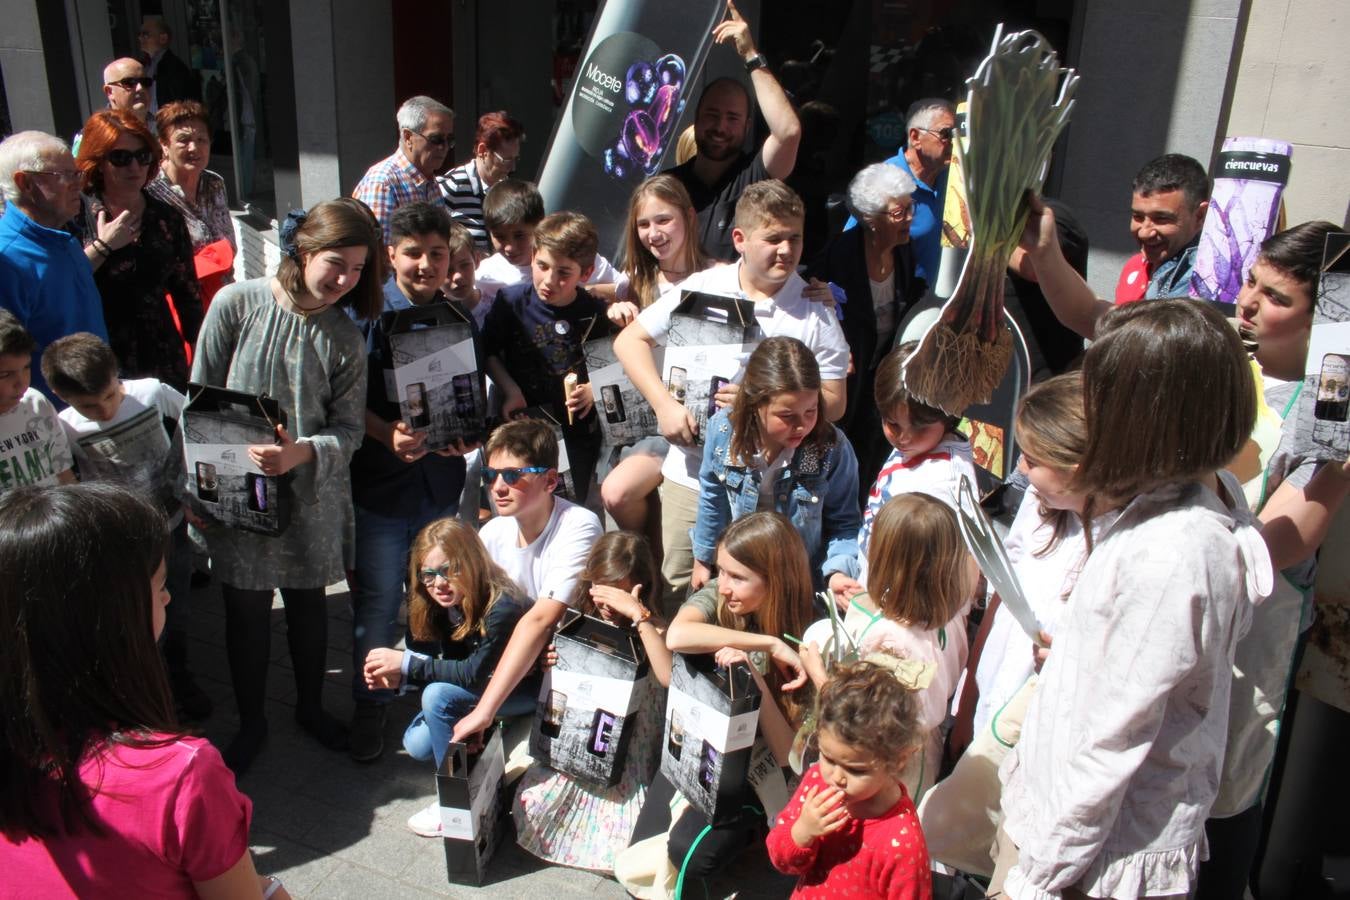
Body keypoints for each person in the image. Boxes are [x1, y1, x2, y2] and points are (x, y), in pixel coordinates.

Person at [992, 299, 1271, 899]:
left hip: (1087, 859)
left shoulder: (1171, 551)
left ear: (1145, 416)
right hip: (1081, 835)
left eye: (1102, 395)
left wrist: (1035, 880)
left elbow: (1112, 739)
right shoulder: (1200, 494)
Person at [0, 483, 288, 899]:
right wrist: (272, 889)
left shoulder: (20, 753)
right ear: (111, 617)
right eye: (158, 586)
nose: (168, 596)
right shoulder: (182, 775)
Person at [191, 197, 383, 776]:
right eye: (336, 263)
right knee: (244, 608)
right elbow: (200, 396)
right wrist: (200, 487)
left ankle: (308, 707)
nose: (345, 280)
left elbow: (349, 430)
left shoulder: (344, 337)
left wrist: (303, 451)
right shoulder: (236, 303)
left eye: (356, 270)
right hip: (236, 479)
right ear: (302, 251)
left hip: (310, 490)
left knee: (307, 604)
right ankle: (251, 721)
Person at [613, 179, 849, 604]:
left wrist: (759, 403)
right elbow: (628, 342)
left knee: (763, 603)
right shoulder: (703, 287)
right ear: (739, 239)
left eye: (794, 237)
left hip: (778, 487)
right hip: (691, 473)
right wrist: (664, 405)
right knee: (683, 592)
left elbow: (834, 403)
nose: (786, 250)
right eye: (773, 238)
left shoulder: (815, 310)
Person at [346, 202, 508, 761]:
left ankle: (421, 696)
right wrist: (383, 432)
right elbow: (342, 402)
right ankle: (368, 710)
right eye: (413, 253)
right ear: (391, 254)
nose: (425, 264)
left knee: (434, 602)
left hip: (438, 483)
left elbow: (470, 392)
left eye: (436, 254)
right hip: (382, 486)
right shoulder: (365, 315)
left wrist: (469, 434)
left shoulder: (460, 317)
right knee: (377, 602)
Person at [627, 512, 811, 889]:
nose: (723, 586)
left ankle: (750, 839)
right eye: (720, 570)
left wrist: (755, 679)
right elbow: (677, 636)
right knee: (642, 857)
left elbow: (788, 756)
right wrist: (767, 644)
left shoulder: (810, 637)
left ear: (776, 580)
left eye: (738, 577)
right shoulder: (721, 595)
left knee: (686, 855)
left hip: (756, 773)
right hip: (700, 745)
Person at [40, 331, 209, 720]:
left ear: (118, 377)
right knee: (135, 615)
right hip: (124, 538)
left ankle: (178, 676)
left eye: (110, 396)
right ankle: (148, 686)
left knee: (177, 606)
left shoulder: (150, 393)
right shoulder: (65, 427)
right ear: (63, 399)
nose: (104, 411)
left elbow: (196, 425)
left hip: (170, 525)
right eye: (89, 406)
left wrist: (196, 491)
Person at [361, 517, 535, 835]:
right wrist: (404, 679)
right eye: (428, 575)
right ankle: (486, 738)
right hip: (483, 685)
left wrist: (407, 666)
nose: (438, 583)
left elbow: (470, 674)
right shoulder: (443, 603)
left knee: (436, 698)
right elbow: (456, 664)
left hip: (523, 690)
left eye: (448, 570)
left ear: (470, 561)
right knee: (416, 743)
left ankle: (457, 802)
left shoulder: (501, 606)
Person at [514, 531, 672, 872]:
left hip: (633, 752)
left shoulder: (655, 629)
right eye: (600, 589)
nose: (606, 602)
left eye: (617, 591)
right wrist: (549, 663)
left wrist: (637, 615)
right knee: (533, 803)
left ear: (641, 585)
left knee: (631, 837)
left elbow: (667, 675)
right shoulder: (577, 622)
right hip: (586, 743)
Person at [447, 420, 603, 746]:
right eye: (490, 476)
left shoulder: (579, 525)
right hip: (516, 663)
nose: (498, 487)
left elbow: (541, 619)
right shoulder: (492, 532)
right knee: (423, 727)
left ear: (549, 481)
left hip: (558, 673)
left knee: (439, 702)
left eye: (513, 476)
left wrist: (485, 710)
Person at [813, 492, 974, 799]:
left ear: (883, 559)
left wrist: (819, 675)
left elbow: (868, 723)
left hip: (888, 768)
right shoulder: (951, 617)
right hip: (927, 748)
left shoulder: (889, 639)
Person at [691, 336, 861, 599]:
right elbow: (712, 497)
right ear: (756, 404)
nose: (802, 425)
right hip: (739, 579)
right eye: (787, 416)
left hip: (800, 585)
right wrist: (703, 558)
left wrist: (837, 572)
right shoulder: (723, 431)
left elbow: (845, 523)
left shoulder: (830, 448)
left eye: (811, 411)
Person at [600, 175, 713, 553]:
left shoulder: (720, 276)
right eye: (644, 224)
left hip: (700, 417)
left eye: (663, 220)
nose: (654, 233)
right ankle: (646, 560)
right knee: (616, 492)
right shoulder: (634, 283)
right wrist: (614, 312)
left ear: (689, 217)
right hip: (647, 423)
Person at [766, 661, 931, 899]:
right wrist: (803, 831)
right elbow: (780, 858)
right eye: (828, 758)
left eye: (856, 770)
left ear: (898, 760)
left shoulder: (901, 842)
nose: (837, 777)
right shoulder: (817, 784)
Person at [482, 211, 612, 503]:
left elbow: (611, 364)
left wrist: (594, 389)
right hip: (520, 423)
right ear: (533, 256)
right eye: (542, 266)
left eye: (564, 273)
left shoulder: (594, 311)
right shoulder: (512, 302)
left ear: (586, 273)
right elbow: (488, 352)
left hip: (574, 431)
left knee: (565, 503)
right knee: (515, 502)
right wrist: (510, 389)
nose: (549, 280)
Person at [807, 162, 923, 486]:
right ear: (872, 220)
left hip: (879, 375)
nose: (910, 219)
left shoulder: (904, 251)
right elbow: (813, 307)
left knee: (874, 454)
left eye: (910, 209)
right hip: (847, 378)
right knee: (842, 457)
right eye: (899, 213)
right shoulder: (839, 259)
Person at [72, 109, 203, 391]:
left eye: (142, 156)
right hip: (100, 357)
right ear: (99, 162)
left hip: (161, 354)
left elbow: (187, 293)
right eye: (120, 158)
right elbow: (63, 284)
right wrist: (102, 247)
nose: (134, 167)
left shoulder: (166, 217)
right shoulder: (77, 215)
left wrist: (201, 355)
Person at [665, 1, 801, 262]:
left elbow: (789, 132)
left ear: (747, 125)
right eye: (712, 115)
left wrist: (750, 55)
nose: (720, 127)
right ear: (696, 119)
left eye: (732, 118)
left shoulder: (756, 177)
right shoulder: (670, 186)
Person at [0, 131, 108, 400]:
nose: (78, 185)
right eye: (65, 176)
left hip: (98, 403)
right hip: (55, 423)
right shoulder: (7, 259)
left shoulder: (64, 238)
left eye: (77, 173)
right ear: (25, 183)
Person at [857, 343, 976, 564]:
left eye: (919, 427)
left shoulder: (942, 484)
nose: (904, 437)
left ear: (950, 415)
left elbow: (937, 568)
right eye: (892, 423)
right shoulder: (921, 446)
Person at [844, 98, 955, 286]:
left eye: (958, 134)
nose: (954, 142)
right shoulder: (883, 182)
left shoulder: (954, 179)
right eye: (946, 134)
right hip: (900, 304)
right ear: (915, 137)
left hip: (946, 304)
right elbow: (848, 251)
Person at [474, 178, 628, 306]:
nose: (510, 247)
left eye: (520, 235)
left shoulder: (574, 256)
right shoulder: (485, 276)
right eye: (500, 237)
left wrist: (577, 294)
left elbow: (624, 290)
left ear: (540, 224)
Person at [147, 100, 235, 307]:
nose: (194, 147)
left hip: (220, 298)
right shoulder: (150, 192)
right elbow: (159, 264)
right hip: (177, 305)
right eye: (183, 140)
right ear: (164, 145)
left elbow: (230, 245)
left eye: (201, 139)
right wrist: (214, 259)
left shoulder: (214, 183)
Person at [353, 95, 455, 243]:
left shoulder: (430, 182)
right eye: (436, 139)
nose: (444, 147)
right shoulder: (383, 182)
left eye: (449, 140)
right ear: (408, 137)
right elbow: (379, 253)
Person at [1114, 153, 1210, 303]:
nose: (1144, 232)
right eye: (1138, 216)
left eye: (1161, 219)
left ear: (1199, 216)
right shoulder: (1134, 265)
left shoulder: (1206, 283)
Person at [0, 310, 74, 492]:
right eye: (5, 374)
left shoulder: (36, 403)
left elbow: (65, 476)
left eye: (26, 367)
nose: (21, 383)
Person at [437, 110, 525, 254]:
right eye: (506, 160)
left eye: (516, 159)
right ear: (483, 150)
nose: (512, 168)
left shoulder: (508, 190)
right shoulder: (451, 186)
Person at [138, 16, 200, 109]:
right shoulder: (142, 65)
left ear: (163, 38)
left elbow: (179, 103)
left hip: (165, 120)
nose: (140, 38)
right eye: (140, 34)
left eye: (145, 34)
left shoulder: (175, 67)